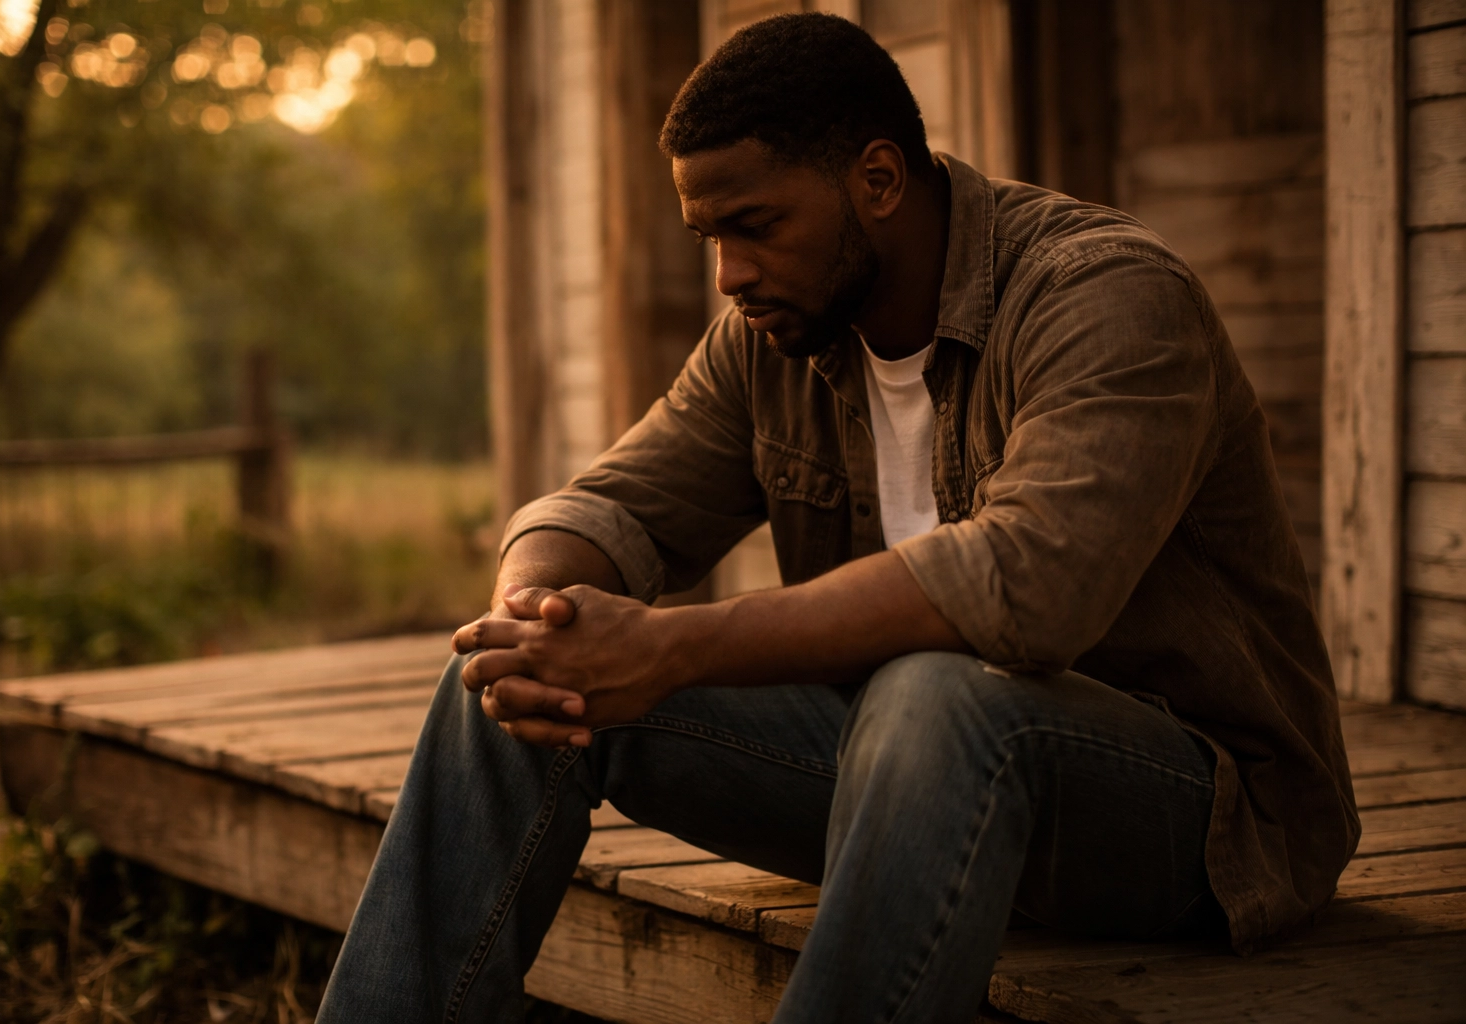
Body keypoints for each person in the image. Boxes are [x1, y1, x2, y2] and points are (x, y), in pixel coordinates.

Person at [315, 13, 1358, 1024]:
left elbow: (1028, 587)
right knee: (504, 674)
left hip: (1194, 820)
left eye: (757, 226)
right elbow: (609, 505)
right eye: (709, 236)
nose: (730, 276)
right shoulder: (775, 336)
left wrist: (669, 644)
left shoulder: (1104, 295)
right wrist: (536, 615)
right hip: (902, 785)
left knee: (939, 690)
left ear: (878, 179)